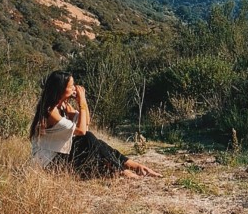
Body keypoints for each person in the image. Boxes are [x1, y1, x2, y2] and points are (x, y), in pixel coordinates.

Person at [30, 70, 161, 179]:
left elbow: (86, 122)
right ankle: (121, 170)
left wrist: (83, 102)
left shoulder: (63, 106)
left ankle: (134, 167)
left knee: (97, 146)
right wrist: (81, 102)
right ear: (61, 89)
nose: (74, 88)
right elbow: (82, 131)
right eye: (71, 86)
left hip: (60, 154)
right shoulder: (50, 111)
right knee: (87, 139)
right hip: (48, 163)